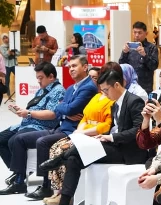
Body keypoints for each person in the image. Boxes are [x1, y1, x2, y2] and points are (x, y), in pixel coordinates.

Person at [37, 69, 149, 205]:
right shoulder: (115, 104)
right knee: (73, 159)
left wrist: (111, 137)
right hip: (115, 145)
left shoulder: (134, 101)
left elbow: (137, 131)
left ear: (116, 85)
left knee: (76, 153)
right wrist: (103, 136)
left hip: (129, 152)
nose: (104, 94)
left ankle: (59, 160)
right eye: (102, 90)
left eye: (106, 90)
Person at [1, 57, 97, 197]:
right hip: (58, 126)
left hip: (71, 130)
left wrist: (63, 110)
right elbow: (63, 110)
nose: (71, 69)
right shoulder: (71, 88)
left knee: (35, 141)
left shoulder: (87, 87)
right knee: (15, 139)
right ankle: (19, 178)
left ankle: (44, 185)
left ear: (85, 67)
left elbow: (65, 109)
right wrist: (64, 111)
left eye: (75, 66)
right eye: (69, 66)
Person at [43, 69, 116, 205]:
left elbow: (106, 125)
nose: (95, 81)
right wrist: (78, 132)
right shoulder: (96, 97)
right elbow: (84, 117)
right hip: (81, 132)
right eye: (93, 78)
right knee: (55, 147)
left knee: (63, 151)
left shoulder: (111, 101)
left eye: (97, 78)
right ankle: (57, 190)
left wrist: (82, 133)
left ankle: (65, 195)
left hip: (94, 135)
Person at [0, 62, 64, 191]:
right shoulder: (42, 90)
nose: (38, 81)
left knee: (15, 140)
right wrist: (23, 110)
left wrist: (28, 113)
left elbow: (52, 114)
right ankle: (18, 172)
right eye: (37, 78)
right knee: (1, 139)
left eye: (41, 78)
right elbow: (34, 108)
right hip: (27, 123)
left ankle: (19, 180)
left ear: (51, 76)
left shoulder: (58, 91)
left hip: (40, 126)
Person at [118, 21, 159, 93]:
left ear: (146, 33)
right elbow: (121, 65)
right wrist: (124, 53)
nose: (136, 35)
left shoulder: (151, 47)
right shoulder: (129, 47)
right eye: (134, 32)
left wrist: (145, 55)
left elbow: (154, 66)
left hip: (145, 86)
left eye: (139, 33)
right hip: (129, 86)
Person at [1, 33, 20, 99]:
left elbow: (18, 53)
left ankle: (19, 92)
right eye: (4, 38)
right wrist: (9, 51)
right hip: (6, 65)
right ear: (2, 40)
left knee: (19, 78)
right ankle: (8, 95)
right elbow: (5, 55)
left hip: (14, 64)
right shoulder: (2, 47)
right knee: (7, 81)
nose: (5, 39)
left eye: (6, 37)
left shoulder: (13, 45)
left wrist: (12, 52)